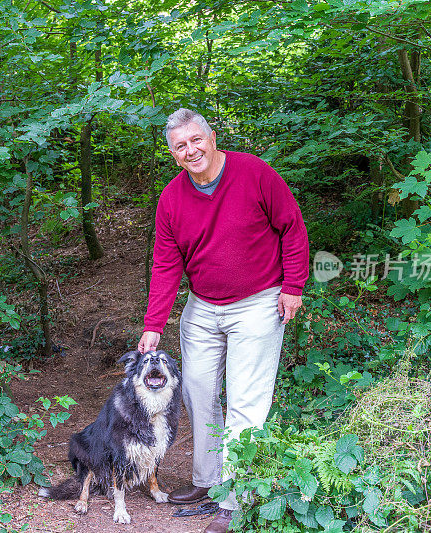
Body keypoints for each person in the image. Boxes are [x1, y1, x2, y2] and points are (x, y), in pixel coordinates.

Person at [138, 108, 309, 533]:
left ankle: (236, 499)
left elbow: (291, 227)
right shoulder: (172, 198)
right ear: (173, 154)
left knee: (246, 403)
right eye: (180, 146)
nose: (190, 150)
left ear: (211, 137)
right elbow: (165, 264)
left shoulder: (253, 173)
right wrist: (153, 323)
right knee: (197, 393)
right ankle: (209, 480)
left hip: (258, 301)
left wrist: (294, 285)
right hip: (203, 305)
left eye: (196, 140)